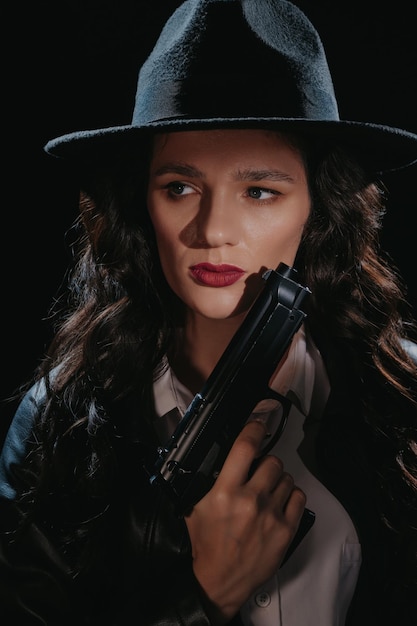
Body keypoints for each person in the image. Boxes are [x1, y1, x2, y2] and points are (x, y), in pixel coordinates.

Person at [1, 0, 416, 624]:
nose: (214, 230)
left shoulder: (405, 402)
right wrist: (205, 596)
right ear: (142, 205)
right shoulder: (58, 424)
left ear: (316, 209)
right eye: (180, 188)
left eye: (260, 191)